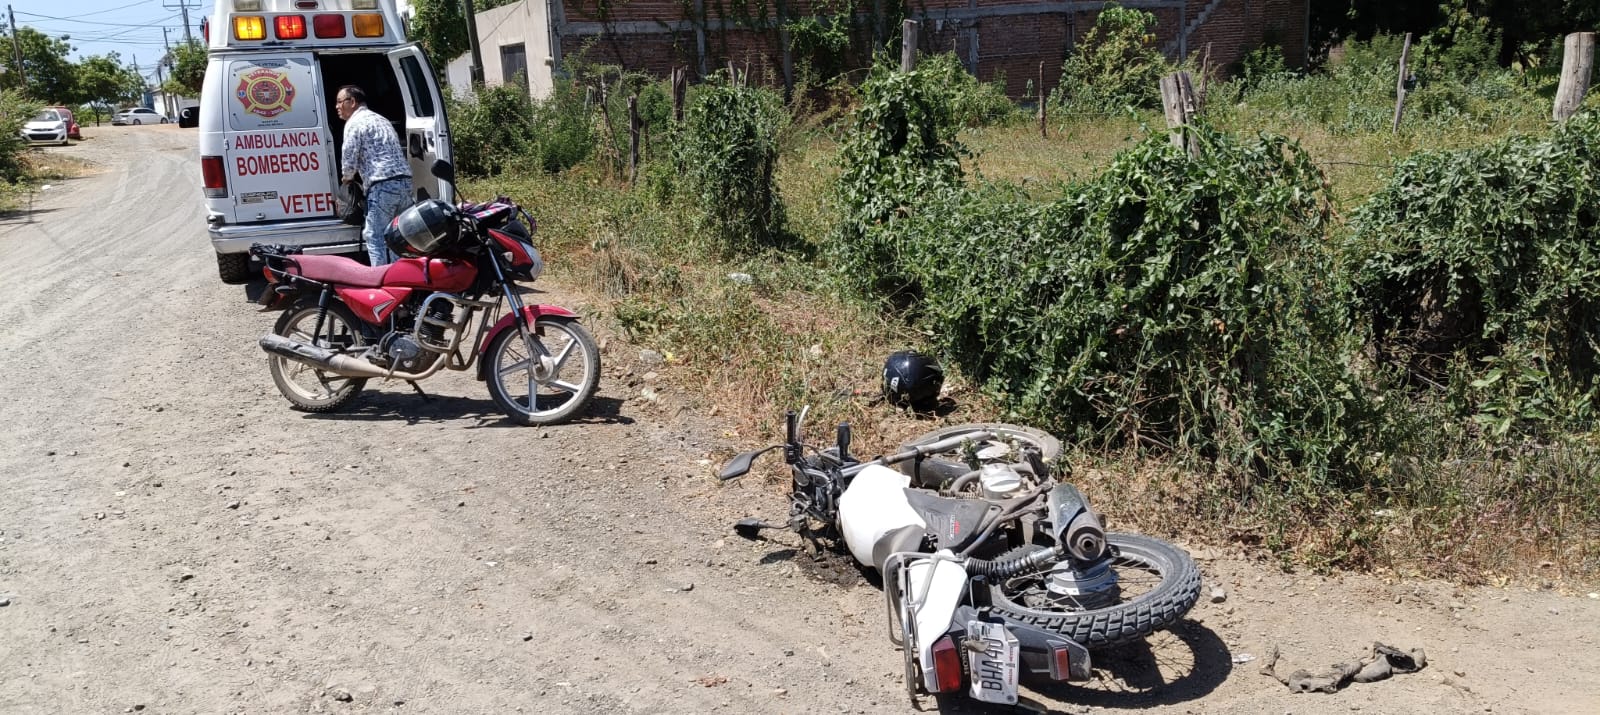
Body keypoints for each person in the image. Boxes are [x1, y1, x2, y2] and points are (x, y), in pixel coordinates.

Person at [335, 85, 413, 265]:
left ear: (352, 102)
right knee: (398, 236)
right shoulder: (381, 119)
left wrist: (347, 178)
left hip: (382, 186)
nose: (337, 107)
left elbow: (349, 154)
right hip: (405, 183)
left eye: (340, 102)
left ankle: (382, 283)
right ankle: (401, 279)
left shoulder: (354, 123)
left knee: (375, 236)